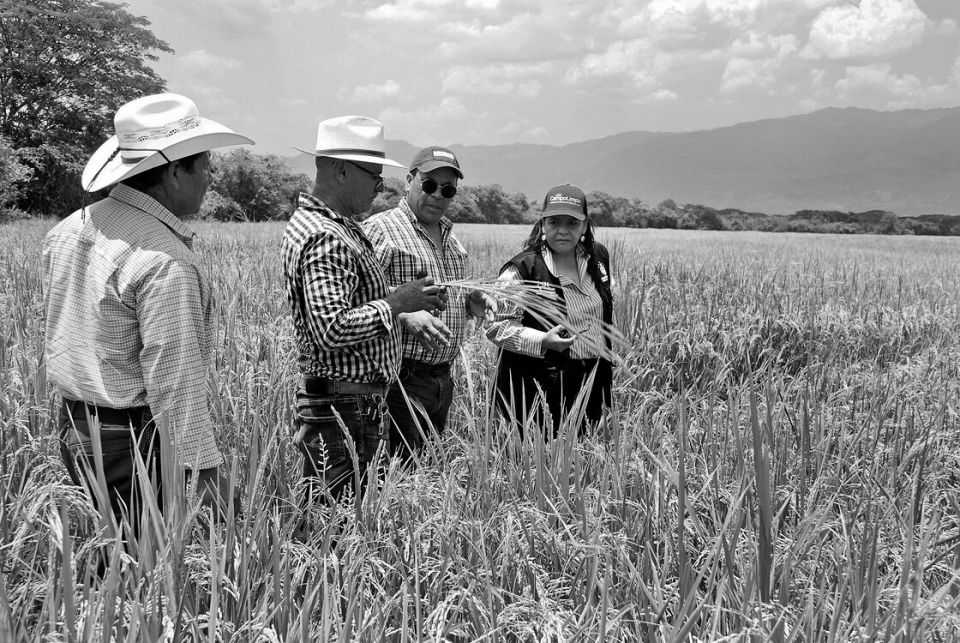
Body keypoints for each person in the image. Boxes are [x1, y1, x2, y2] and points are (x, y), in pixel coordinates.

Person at [42, 93, 253, 530]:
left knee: (102, 569)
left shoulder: (68, 229)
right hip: (132, 443)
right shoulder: (163, 260)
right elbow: (175, 383)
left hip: (75, 428)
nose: (210, 180)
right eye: (207, 168)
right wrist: (207, 477)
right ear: (176, 171)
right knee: (144, 579)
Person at [282, 116, 445, 502]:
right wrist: (396, 303)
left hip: (350, 404)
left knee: (347, 517)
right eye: (373, 176)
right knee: (338, 525)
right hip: (344, 408)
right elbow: (332, 328)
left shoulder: (335, 225)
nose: (379, 187)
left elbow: (347, 299)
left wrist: (396, 306)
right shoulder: (325, 236)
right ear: (340, 171)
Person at [362, 146, 492, 460]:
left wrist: (469, 302)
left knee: (424, 474)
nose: (437, 195)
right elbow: (357, 293)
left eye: (447, 190)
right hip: (399, 380)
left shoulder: (452, 239)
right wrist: (404, 314)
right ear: (409, 180)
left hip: (441, 380)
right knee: (396, 478)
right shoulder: (381, 230)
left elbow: (442, 297)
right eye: (429, 185)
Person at [487, 184, 614, 436]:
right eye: (555, 222)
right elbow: (496, 327)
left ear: (585, 225)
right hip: (537, 390)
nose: (563, 231)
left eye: (572, 223)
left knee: (584, 461)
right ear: (543, 223)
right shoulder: (523, 269)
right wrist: (542, 340)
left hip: (591, 382)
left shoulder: (597, 258)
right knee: (539, 464)